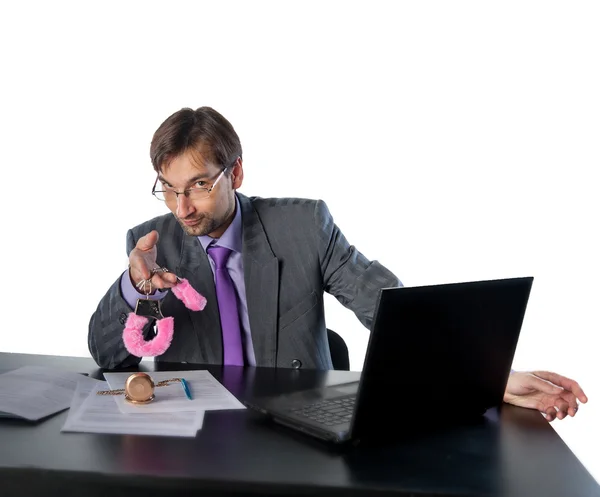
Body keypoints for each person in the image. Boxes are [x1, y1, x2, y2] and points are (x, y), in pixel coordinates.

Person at [88, 106, 587, 422]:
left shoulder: (304, 226)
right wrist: (136, 288)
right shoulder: (150, 245)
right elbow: (109, 358)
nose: (182, 208)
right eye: (169, 188)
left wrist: (487, 374)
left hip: (296, 429)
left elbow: (387, 305)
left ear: (235, 172)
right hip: (196, 435)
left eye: (197, 185)